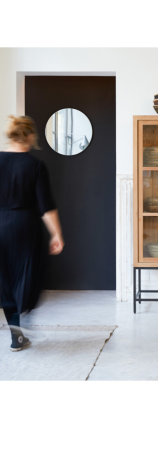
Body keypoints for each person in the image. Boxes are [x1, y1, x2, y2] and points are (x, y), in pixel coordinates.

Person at [0, 115, 64, 351]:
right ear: (27, 136)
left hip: (1, 223)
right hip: (25, 225)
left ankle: (16, 333)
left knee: (5, 278)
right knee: (26, 275)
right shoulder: (35, 165)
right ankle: (23, 319)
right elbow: (45, 205)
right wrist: (56, 234)